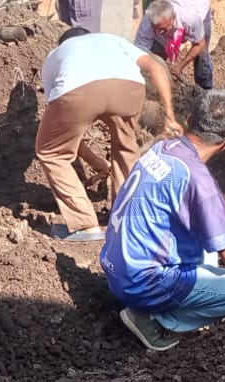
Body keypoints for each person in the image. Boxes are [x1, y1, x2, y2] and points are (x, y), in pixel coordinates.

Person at [101, 90, 225, 352]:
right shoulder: (200, 184)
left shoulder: (162, 148)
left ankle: (164, 299)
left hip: (116, 267)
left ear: (189, 119)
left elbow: (212, 237)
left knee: (206, 248)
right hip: (143, 285)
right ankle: (157, 321)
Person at [36, 27, 183, 241]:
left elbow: (64, 133)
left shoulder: (55, 55)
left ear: (63, 44)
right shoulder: (114, 39)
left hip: (76, 91)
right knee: (126, 149)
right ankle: (126, 220)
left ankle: (85, 225)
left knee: (51, 153)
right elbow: (155, 67)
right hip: (128, 88)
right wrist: (170, 114)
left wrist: (91, 160)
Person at [133, 0, 215, 88]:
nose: (160, 32)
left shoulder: (190, 18)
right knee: (155, 52)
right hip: (174, 16)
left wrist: (180, 66)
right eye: (156, 29)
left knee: (202, 55)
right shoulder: (147, 22)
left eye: (163, 29)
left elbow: (199, 44)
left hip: (199, 6)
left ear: (173, 17)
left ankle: (205, 89)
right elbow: (139, 52)